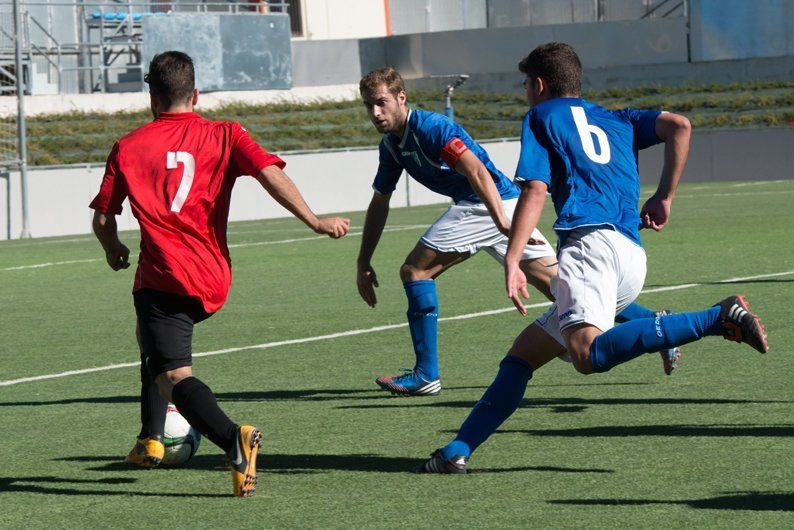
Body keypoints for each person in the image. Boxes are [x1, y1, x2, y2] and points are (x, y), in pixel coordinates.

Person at [419, 42, 769, 473]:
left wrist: (513, 258)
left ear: (540, 84)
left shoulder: (541, 116)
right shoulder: (616, 118)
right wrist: (664, 197)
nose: (525, 92)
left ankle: (715, 319)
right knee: (522, 356)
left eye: (526, 84)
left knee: (586, 356)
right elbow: (679, 125)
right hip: (630, 255)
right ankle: (457, 451)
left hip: (590, 249)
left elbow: (534, 189)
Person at [89, 51, 349, 496]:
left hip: (165, 275)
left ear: (152, 96)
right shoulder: (226, 133)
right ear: (196, 94)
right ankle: (150, 437)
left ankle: (233, 440)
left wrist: (113, 247)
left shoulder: (129, 146)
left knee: (173, 375)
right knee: (147, 341)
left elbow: (103, 217)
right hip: (212, 274)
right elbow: (270, 174)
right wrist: (314, 220)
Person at [356, 67, 680, 397]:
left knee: (415, 270)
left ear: (401, 97)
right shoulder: (392, 147)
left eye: (381, 102)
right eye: (369, 105)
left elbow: (477, 171)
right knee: (565, 290)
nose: (376, 112)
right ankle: (658, 325)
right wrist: (363, 261)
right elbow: (379, 202)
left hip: (487, 204)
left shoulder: (431, 127)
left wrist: (499, 220)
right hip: (503, 207)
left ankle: (426, 374)